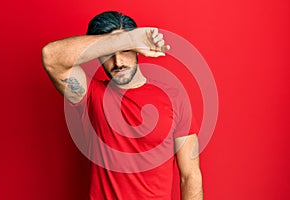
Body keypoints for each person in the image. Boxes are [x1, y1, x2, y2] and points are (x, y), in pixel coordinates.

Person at [42, 11, 203, 200]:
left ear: (136, 49)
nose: (117, 62)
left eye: (125, 49)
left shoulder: (174, 98)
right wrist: (125, 39)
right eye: (107, 54)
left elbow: (190, 175)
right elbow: (50, 57)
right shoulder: (91, 94)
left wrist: (129, 40)